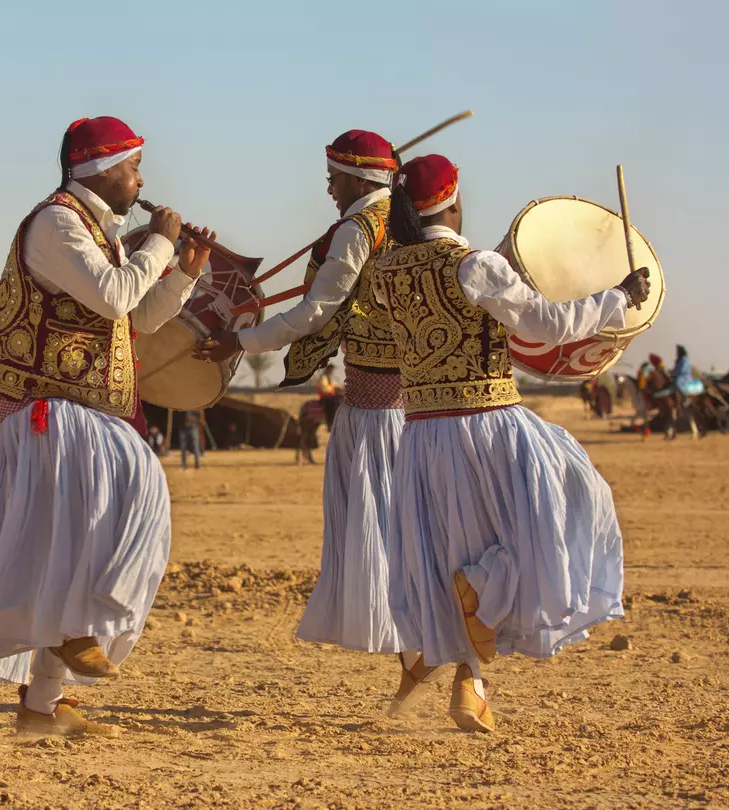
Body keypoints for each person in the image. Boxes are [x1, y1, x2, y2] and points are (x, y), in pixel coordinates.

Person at [0, 116, 212, 735]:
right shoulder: (57, 222)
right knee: (105, 506)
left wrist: (185, 270)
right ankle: (73, 629)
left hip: (78, 407)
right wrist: (159, 243)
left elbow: (133, 321)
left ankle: (43, 704)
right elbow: (115, 296)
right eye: (134, 167)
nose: (141, 180)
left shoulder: (97, 233)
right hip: (39, 403)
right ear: (103, 170)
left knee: (121, 508)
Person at [372, 155, 650, 732]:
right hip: (487, 423)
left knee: (450, 547)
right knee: (566, 505)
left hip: (422, 434)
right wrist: (616, 297)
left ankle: (459, 676)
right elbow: (545, 325)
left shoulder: (387, 271)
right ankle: (479, 597)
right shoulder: (474, 266)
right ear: (454, 201)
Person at [197, 129, 414, 690]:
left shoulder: (359, 228)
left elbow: (317, 312)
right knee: (421, 537)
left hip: (376, 418)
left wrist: (238, 343)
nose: (329, 189)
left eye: (334, 178)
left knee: (390, 540)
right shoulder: (413, 220)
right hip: (426, 407)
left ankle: (430, 654)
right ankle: (433, 661)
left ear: (358, 178)